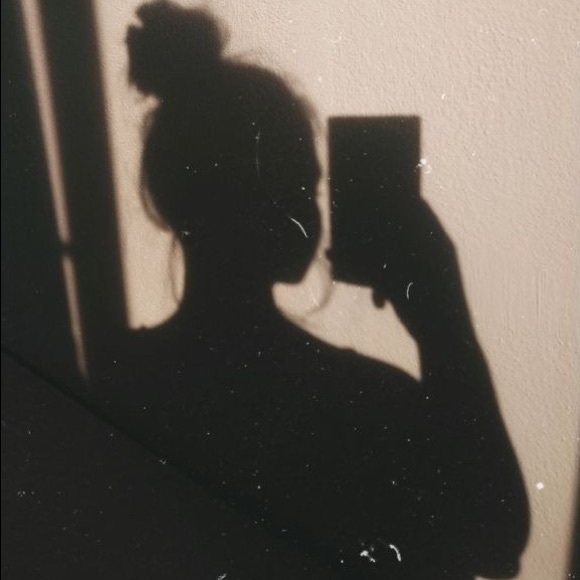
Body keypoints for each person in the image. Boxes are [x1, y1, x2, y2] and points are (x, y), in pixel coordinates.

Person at [99, 2, 529, 577]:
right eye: (294, 183)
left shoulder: (116, 379)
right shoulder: (367, 403)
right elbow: (496, 541)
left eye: (309, 186)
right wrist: (442, 317)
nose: (309, 210)